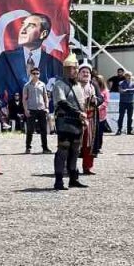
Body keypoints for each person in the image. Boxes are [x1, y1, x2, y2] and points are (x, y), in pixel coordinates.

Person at [0, 13, 65, 101]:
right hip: (14, 112)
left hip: (43, 112)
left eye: (31, 26)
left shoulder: (55, 64)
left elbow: (61, 94)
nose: (23, 30)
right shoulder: (6, 58)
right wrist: (3, 108)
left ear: (43, 34)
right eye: (23, 25)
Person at [51, 55, 87, 190]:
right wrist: (78, 113)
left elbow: (82, 104)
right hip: (64, 122)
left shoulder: (78, 85)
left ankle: (73, 179)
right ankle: (59, 181)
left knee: (75, 151)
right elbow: (62, 103)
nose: (73, 71)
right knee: (63, 150)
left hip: (77, 123)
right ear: (65, 70)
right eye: (70, 69)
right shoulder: (59, 84)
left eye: (74, 68)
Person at [80, 68, 103, 175]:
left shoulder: (93, 85)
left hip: (91, 119)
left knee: (89, 144)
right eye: (83, 72)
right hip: (77, 118)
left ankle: (87, 167)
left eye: (87, 72)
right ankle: (70, 167)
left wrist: (96, 100)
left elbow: (101, 98)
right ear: (79, 73)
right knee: (74, 143)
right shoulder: (74, 85)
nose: (85, 74)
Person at [22, 68, 50, 153]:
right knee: (30, 129)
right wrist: (26, 110)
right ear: (31, 74)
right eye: (34, 73)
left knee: (43, 129)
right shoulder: (27, 85)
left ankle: (45, 148)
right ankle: (28, 147)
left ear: (39, 74)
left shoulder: (42, 84)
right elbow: (24, 99)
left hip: (41, 109)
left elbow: (46, 97)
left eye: (37, 73)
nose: (36, 75)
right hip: (31, 109)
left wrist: (47, 107)